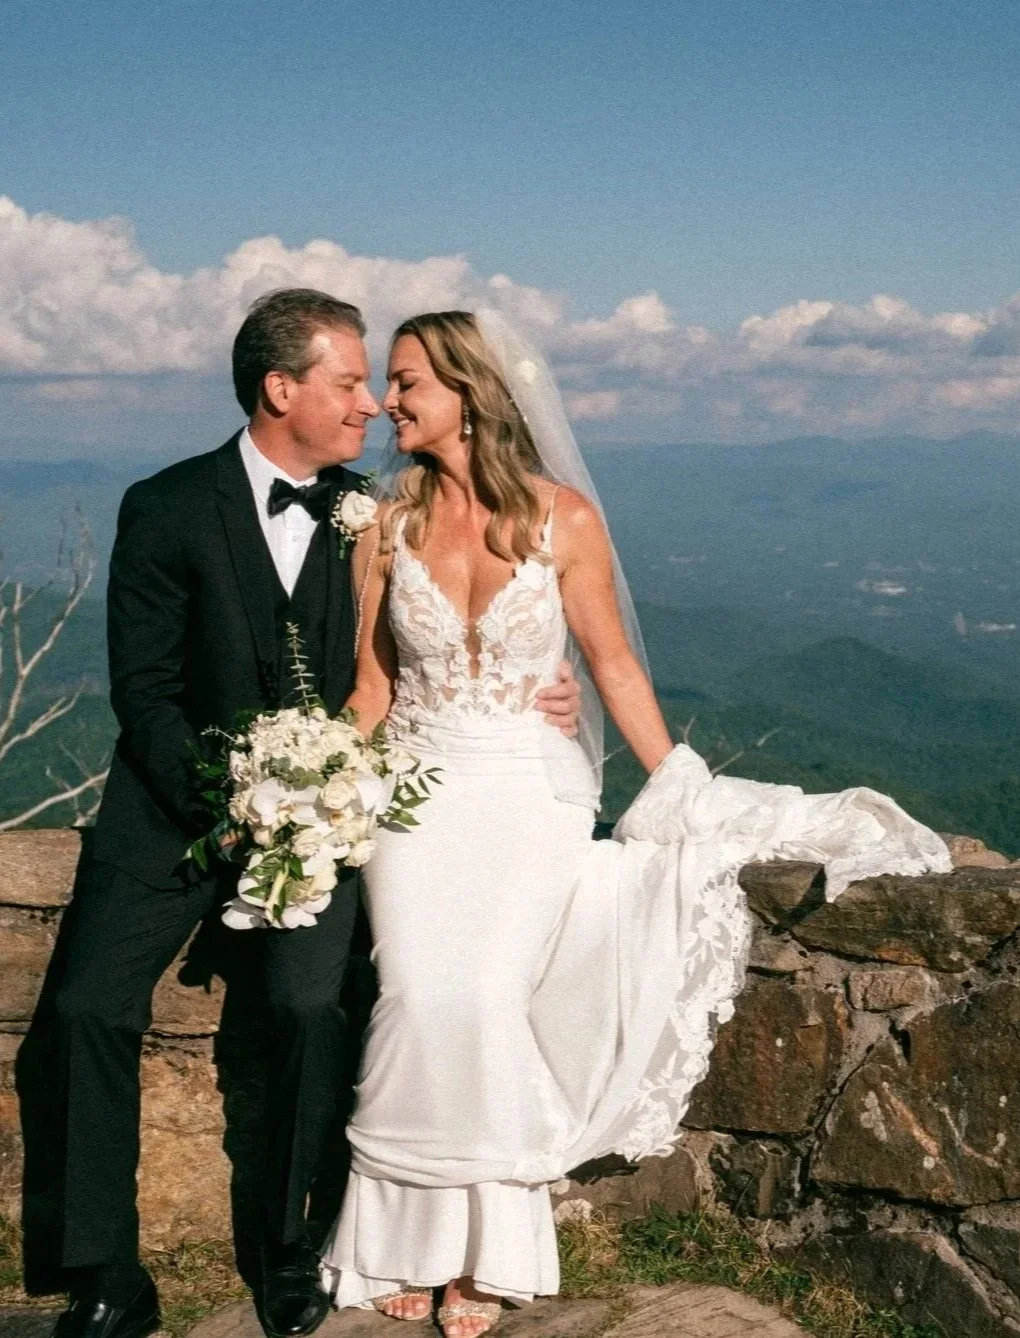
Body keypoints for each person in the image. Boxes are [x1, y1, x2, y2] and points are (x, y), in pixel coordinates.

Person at [318, 309, 952, 1338]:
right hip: (415, 795)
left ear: (468, 394)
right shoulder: (384, 524)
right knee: (414, 994)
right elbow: (372, 688)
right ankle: (400, 1240)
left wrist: (678, 786)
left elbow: (611, 666)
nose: (386, 403)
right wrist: (307, 786)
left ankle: (488, 1253)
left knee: (480, 995)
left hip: (531, 789)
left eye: (405, 384)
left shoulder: (564, 520)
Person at [13, 289, 584, 1338]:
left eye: (377, 384)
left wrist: (554, 688)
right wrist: (232, 807)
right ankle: (103, 1274)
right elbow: (143, 692)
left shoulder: (375, 511)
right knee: (85, 1009)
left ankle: (289, 1249)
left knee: (309, 1009)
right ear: (282, 389)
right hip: (170, 814)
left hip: (326, 823)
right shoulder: (166, 505)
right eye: (347, 382)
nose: (368, 404)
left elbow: (424, 655)